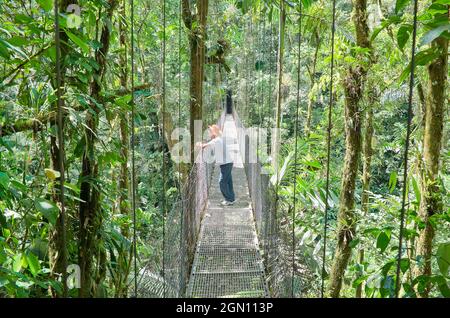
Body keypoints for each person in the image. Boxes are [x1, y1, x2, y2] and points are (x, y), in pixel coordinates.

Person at [197, 124, 236, 206]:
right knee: (228, 182)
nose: (209, 133)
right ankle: (231, 199)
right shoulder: (218, 139)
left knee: (222, 182)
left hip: (226, 164)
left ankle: (229, 199)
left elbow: (204, 146)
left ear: (214, 132)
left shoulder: (217, 140)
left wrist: (198, 144)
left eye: (210, 132)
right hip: (227, 163)